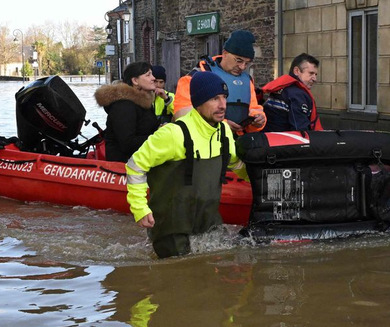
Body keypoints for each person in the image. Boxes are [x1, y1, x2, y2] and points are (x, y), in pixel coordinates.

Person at [126, 71, 247, 259]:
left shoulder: (224, 131)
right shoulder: (174, 134)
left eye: (224, 97)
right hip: (172, 228)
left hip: (208, 223)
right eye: (214, 99)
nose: (223, 105)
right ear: (198, 103)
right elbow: (135, 166)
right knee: (178, 272)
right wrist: (140, 208)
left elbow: (237, 164)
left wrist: (262, 182)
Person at [173, 29, 266, 135]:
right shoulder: (195, 77)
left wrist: (258, 121)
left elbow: (254, 109)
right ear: (225, 54)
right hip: (206, 140)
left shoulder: (247, 80)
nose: (242, 67)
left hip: (238, 141)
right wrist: (223, 124)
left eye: (247, 63)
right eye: (239, 60)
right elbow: (182, 115)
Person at [95, 61, 160, 162]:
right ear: (135, 81)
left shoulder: (144, 102)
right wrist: (159, 137)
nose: (153, 78)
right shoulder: (124, 106)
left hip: (142, 161)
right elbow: (127, 144)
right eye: (148, 75)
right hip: (125, 165)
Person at [262, 53, 323, 132]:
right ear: (296, 71)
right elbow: (300, 130)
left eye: (315, 74)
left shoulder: (282, 88)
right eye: (311, 73)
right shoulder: (297, 94)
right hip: (284, 138)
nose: (315, 79)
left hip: (268, 136)